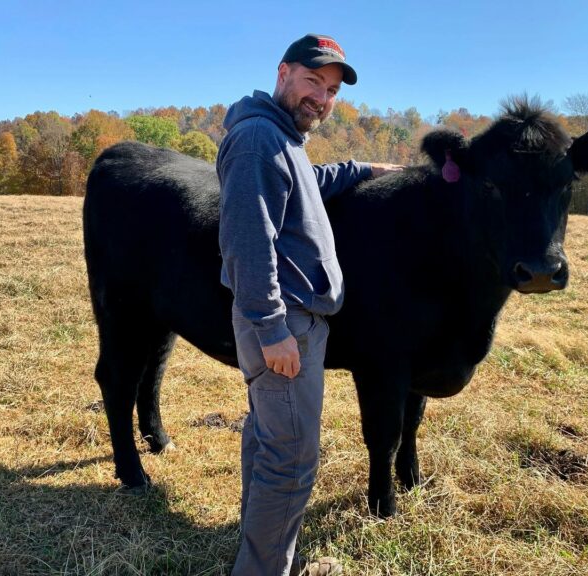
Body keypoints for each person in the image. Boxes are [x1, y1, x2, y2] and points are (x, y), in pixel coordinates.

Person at [217, 33, 402, 576]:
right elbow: (246, 240)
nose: (321, 98)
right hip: (285, 324)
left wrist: (361, 169)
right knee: (291, 459)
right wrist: (273, 329)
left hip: (291, 320)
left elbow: (308, 184)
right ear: (283, 72)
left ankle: (263, 552)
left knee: (270, 441)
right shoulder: (257, 140)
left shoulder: (281, 138)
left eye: (331, 91)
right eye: (312, 82)